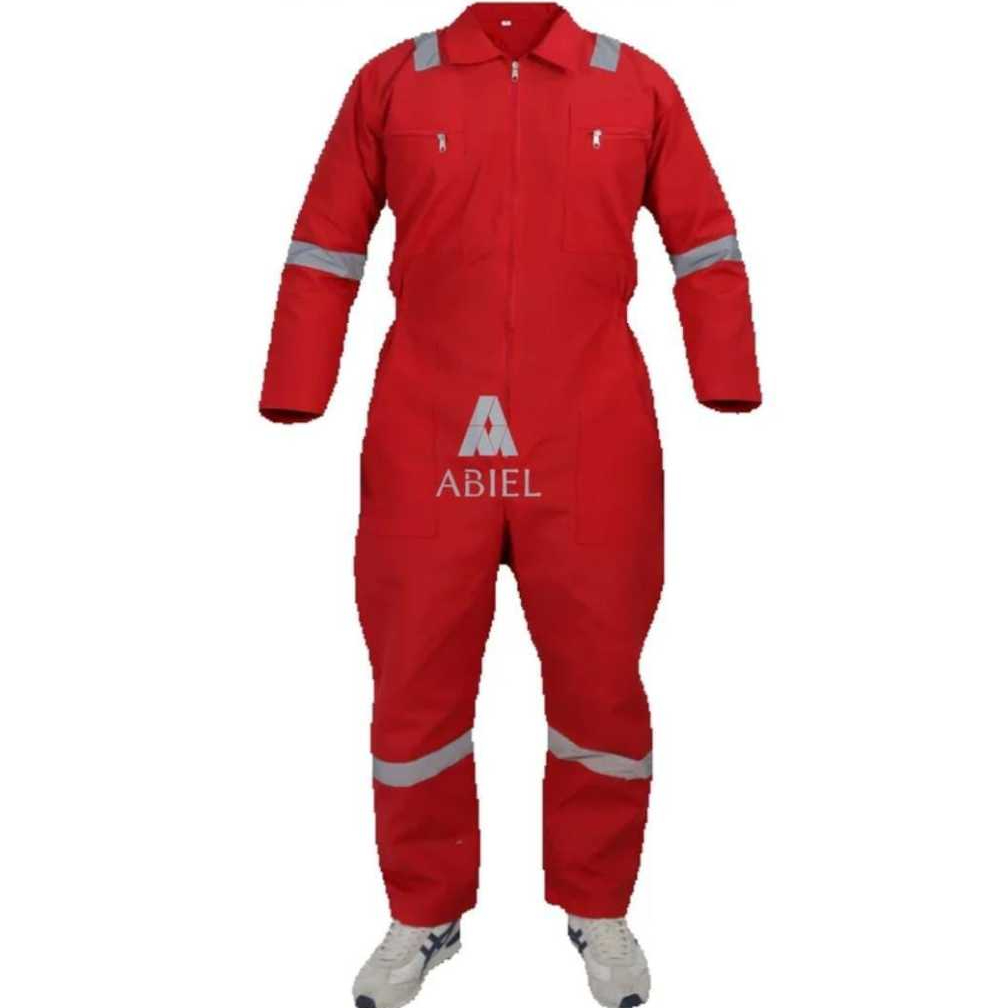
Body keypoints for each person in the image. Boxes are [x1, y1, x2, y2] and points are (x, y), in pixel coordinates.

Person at [259, 5, 761, 1006]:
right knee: (415, 675)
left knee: (600, 681)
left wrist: (727, 372)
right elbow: (326, 242)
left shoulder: (635, 84)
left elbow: (704, 239)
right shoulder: (394, 81)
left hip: (592, 435)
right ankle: (424, 911)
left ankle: (599, 904)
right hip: (428, 429)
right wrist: (297, 382)